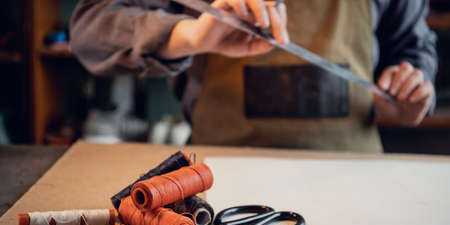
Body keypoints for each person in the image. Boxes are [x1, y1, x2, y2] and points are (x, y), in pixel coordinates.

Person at [70, 0, 437, 152]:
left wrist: (411, 90)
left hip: (355, 180)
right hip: (219, 185)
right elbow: (91, 28)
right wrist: (190, 35)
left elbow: (413, 47)